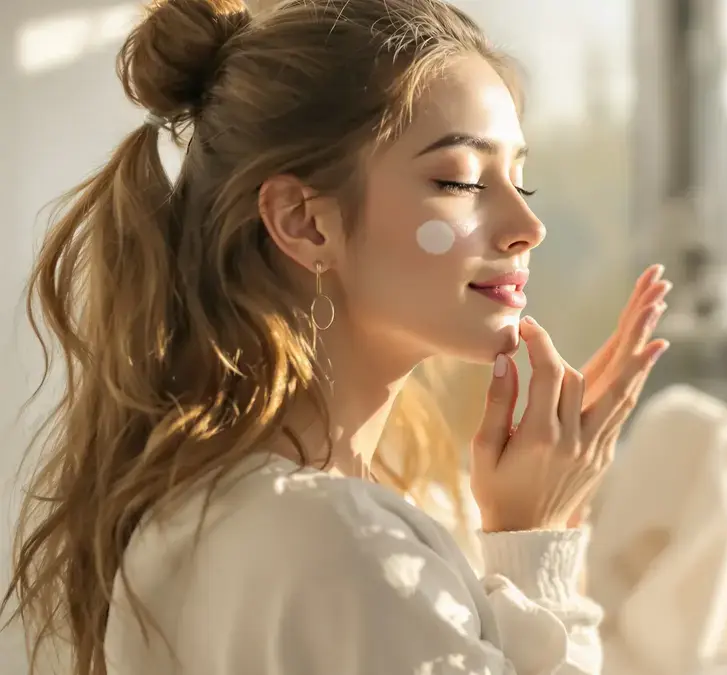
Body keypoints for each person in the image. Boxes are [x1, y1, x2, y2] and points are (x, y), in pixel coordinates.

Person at [1, 0, 671, 673]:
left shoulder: (195, 517)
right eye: (461, 180)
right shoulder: (344, 547)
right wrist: (537, 542)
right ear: (303, 221)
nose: (528, 223)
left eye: (520, 178)